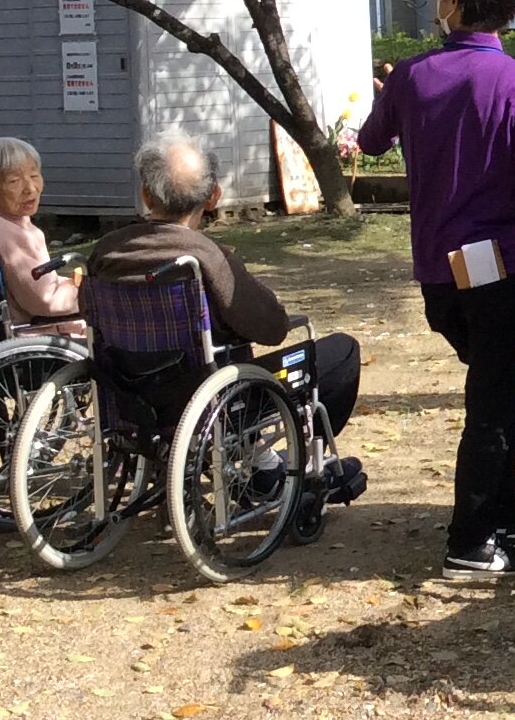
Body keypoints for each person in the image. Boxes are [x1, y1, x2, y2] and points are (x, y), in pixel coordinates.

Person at [356, 0, 515, 578]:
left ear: (452, 1)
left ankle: (504, 512)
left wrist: (395, 99)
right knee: (497, 398)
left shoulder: (412, 76)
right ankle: (474, 536)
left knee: (492, 387)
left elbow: (370, 141)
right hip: (499, 265)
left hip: (438, 270)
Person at [84, 131, 365, 480]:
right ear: (213, 196)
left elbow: (89, 314)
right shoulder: (207, 258)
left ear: (145, 195)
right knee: (342, 351)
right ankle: (300, 466)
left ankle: (259, 460)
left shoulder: (106, 252)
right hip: (211, 402)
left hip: (128, 398)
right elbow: (272, 329)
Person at [0, 138, 82, 334]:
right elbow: (47, 301)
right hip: (36, 335)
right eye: (14, 181)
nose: (31, 188)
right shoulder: (7, 234)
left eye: (34, 176)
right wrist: (85, 291)